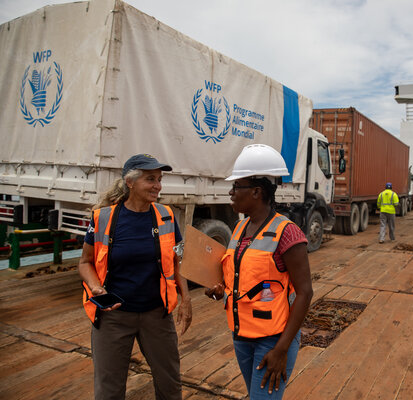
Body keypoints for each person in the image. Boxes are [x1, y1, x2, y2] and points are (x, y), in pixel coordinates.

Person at [78, 153, 192, 400]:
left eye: (160, 179)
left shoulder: (167, 216)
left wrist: (186, 300)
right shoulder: (103, 218)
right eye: (150, 179)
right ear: (130, 182)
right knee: (109, 390)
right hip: (113, 317)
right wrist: (97, 288)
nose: (158, 186)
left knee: (170, 385)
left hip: (157, 315)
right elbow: (85, 262)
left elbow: (177, 261)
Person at [205, 144, 313, 399]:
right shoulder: (240, 228)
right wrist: (222, 289)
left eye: (236, 187)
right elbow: (241, 277)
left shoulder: (288, 233)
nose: (230, 193)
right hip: (241, 336)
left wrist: (282, 349)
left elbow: (305, 293)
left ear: (256, 191)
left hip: (274, 339)